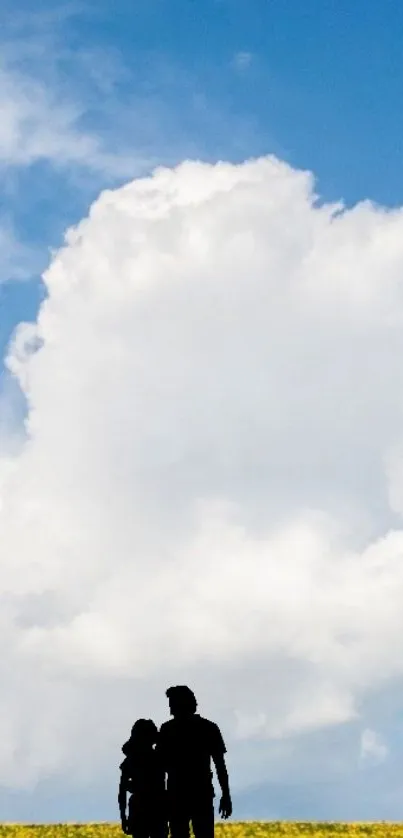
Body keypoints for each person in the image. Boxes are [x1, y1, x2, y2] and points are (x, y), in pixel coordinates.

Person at [155, 685, 232, 838]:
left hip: (179, 794)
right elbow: (220, 765)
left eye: (172, 703)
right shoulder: (209, 728)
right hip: (199, 793)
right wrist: (226, 794)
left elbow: (159, 767)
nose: (170, 707)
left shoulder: (167, 730)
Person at [118, 718, 167, 838]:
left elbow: (122, 791)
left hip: (141, 809)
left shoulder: (130, 761)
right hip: (157, 808)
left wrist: (123, 817)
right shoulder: (159, 758)